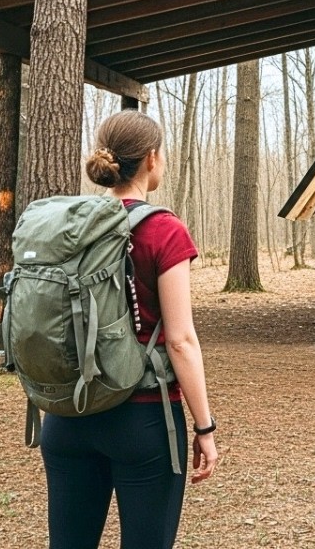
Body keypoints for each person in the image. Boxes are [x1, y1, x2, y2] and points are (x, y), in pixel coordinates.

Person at [39, 109, 219, 549]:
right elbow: (180, 340)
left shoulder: (67, 224)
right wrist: (204, 427)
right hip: (142, 419)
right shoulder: (163, 230)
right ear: (152, 159)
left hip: (67, 415)